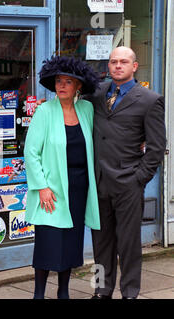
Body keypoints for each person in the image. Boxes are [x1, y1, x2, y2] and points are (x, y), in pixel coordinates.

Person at [86, 47, 166, 299]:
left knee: (129, 244)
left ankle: (130, 292)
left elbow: (156, 147)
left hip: (128, 184)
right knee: (100, 244)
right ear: (108, 66)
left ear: (134, 66)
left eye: (123, 62)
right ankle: (101, 289)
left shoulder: (150, 100)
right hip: (98, 182)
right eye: (113, 62)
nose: (118, 65)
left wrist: (139, 179)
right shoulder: (97, 93)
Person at [24, 56, 101, 299]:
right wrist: (42, 187)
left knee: (70, 242)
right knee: (48, 242)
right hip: (52, 190)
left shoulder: (86, 109)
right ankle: (38, 293)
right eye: (58, 81)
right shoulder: (44, 111)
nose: (62, 85)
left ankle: (64, 291)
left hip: (79, 189)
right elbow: (31, 152)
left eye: (69, 81)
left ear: (78, 86)